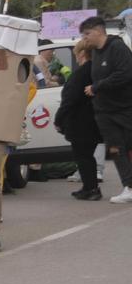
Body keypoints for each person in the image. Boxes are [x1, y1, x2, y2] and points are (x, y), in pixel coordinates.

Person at [80, 16, 132, 203]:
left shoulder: (117, 48)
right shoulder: (95, 53)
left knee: (128, 146)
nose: (85, 39)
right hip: (104, 112)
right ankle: (129, 187)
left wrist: (97, 87)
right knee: (116, 148)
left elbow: (125, 74)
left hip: (125, 108)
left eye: (87, 34)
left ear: (98, 31)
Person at [55, 40, 103, 201]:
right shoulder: (97, 70)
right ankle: (90, 186)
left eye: (76, 52)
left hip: (80, 121)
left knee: (83, 156)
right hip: (94, 119)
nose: (75, 55)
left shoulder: (82, 72)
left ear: (82, 53)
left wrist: (59, 118)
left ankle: (91, 188)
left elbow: (70, 98)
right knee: (88, 155)